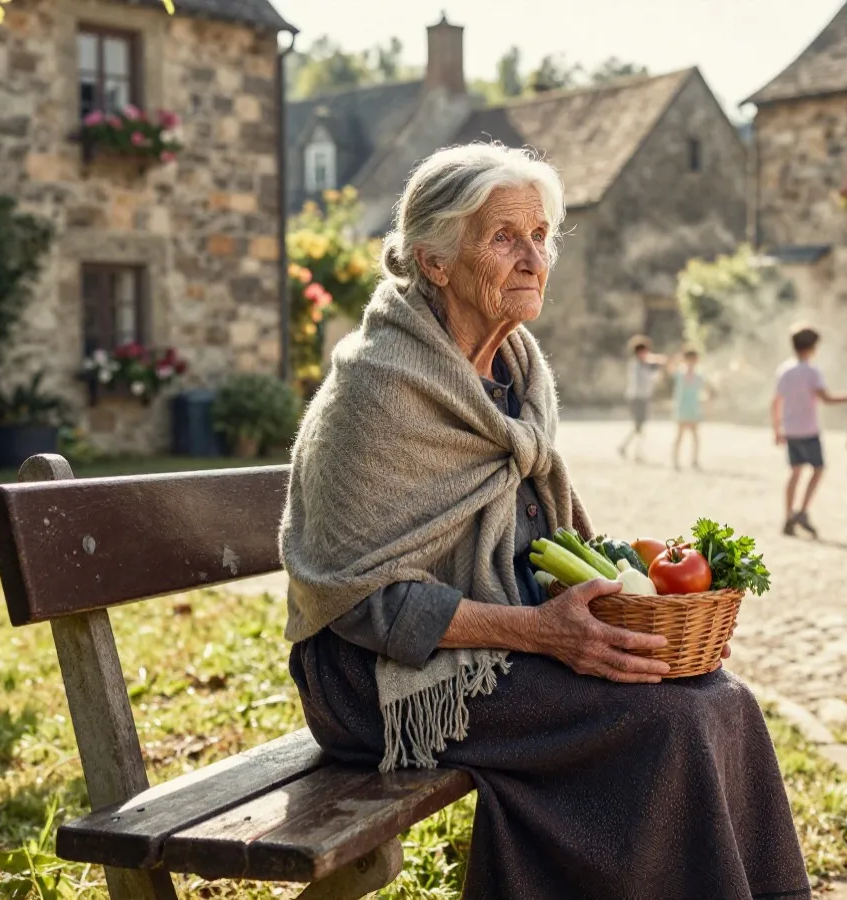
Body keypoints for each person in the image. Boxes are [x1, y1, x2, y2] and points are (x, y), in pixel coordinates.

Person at [280, 144, 810, 900]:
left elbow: (534, 539)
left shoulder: (517, 371)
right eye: (504, 237)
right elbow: (359, 602)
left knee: (720, 698)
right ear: (435, 261)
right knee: (667, 723)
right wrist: (541, 633)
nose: (534, 258)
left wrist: (620, 593)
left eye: (542, 235)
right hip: (374, 678)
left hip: (491, 642)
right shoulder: (377, 389)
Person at [771, 325, 847, 537]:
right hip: (808, 429)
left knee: (794, 472)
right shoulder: (812, 371)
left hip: (790, 429)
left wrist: (776, 428)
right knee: (818, 469)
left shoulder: (784, 370)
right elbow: (826, 398)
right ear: (813, 347)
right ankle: (803, 510)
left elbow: (776, 402)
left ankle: (788, 515)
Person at [618, 334, 668, 462]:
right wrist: (656, 363)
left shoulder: (645, 364)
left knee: (639, 426)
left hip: (644, 398)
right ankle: (634, 451)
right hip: (636, 398)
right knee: (639, 426)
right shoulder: (636, 365)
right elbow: (648, 376)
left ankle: (628, 448)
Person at [672, 347, 714, 470]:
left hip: (693, 408)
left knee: (695, 436)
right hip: (682, 407)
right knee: (680, 435)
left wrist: (707, 401)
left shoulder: (699, 375)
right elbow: (669, 368)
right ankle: (675, 460)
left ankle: (694, 459)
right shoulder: (680, 373)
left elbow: (707, 388)